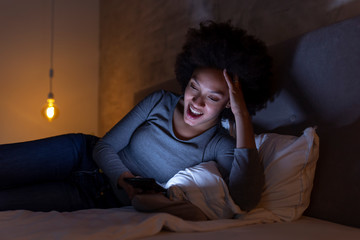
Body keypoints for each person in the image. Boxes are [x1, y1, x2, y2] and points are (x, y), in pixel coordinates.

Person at [0, 21, 272, 216]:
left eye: (213, 98)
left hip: (96, 198)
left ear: (229, 103)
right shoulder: (159, 102)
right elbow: (103, 147)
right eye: (193, 87)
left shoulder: (219, 145)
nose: (197, 102)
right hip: (78, 153)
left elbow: (245, 200)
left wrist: (242, 114)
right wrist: (126, 180)